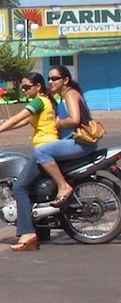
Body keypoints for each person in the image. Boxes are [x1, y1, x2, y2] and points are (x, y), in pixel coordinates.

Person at [0, 72, 63, 252]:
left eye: (27, 87)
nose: (24, 90)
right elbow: (22, 121)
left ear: (38, 87)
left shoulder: (39, 101)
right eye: (22, 87)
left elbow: (17, 117)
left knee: (19, 187)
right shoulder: (46, 102)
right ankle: (41, 230)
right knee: (29, 186)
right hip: (49, 149)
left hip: (44, 149)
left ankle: (28, 233)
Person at [43, 65, 98, 204]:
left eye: (55, 78)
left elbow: (74, 119)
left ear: (66, 80)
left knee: (41, 152)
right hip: (74, 141)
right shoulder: (62, 96)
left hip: (81, 142)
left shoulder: (70, 94)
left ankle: (63, 187)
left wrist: (58, 123)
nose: (50, 82)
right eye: (49, 79)